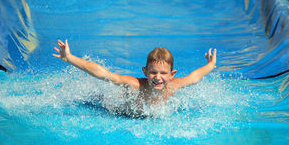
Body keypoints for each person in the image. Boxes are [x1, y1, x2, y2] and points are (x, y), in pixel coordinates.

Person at [52, 39, 216, 104]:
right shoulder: (135, 85)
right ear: (145, 72)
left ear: (172, 74)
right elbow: (105, 74)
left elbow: (194, 77)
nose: (158, 78)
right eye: (153, 73)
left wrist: (210, 65)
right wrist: (70, 58)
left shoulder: (174, 85)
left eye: (163, 73)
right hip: (120, 110)